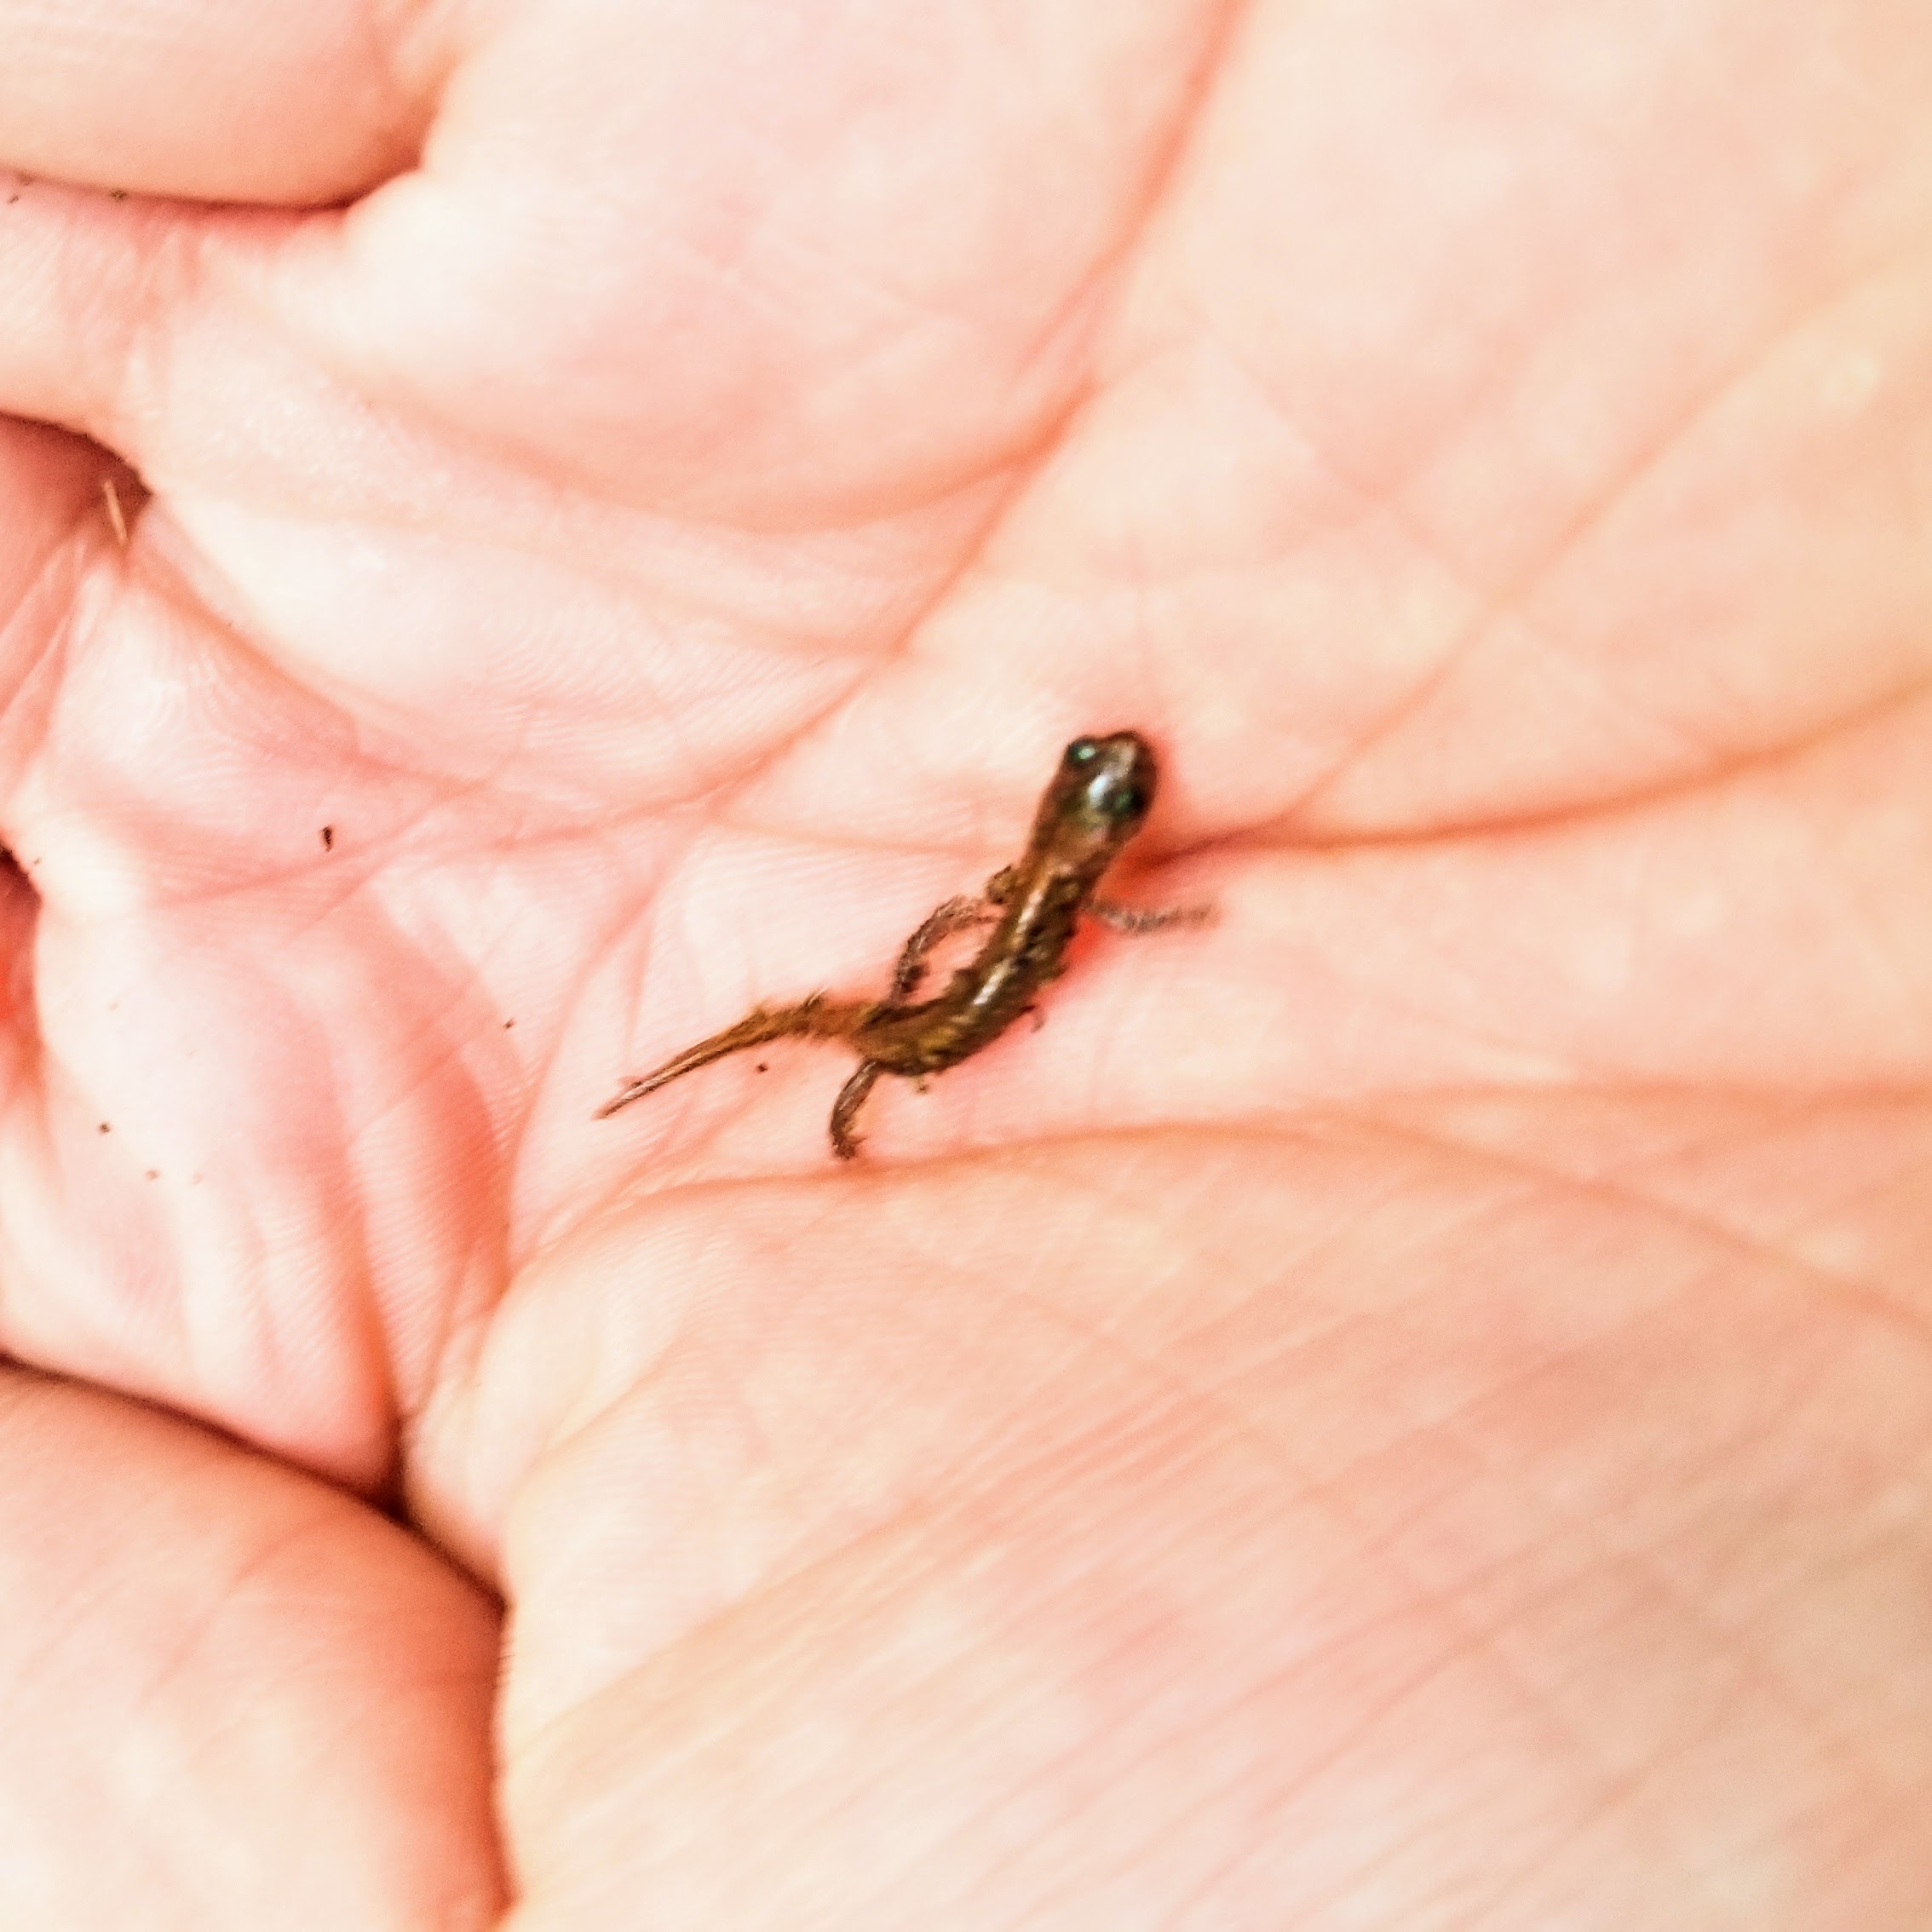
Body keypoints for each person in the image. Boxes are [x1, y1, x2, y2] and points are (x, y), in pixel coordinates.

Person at [0, 3, 1926, 1923]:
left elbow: (1049, 924)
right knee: (856, 1036)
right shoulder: (1037, 908)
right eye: (1106, 794)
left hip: (977, 992)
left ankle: (782, 1063)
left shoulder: (1040, 906)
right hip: (964, 994)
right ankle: (768, 1064)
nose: (1109, 795)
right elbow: (1037, 930)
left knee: (871, 1034)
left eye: (1108, 793)